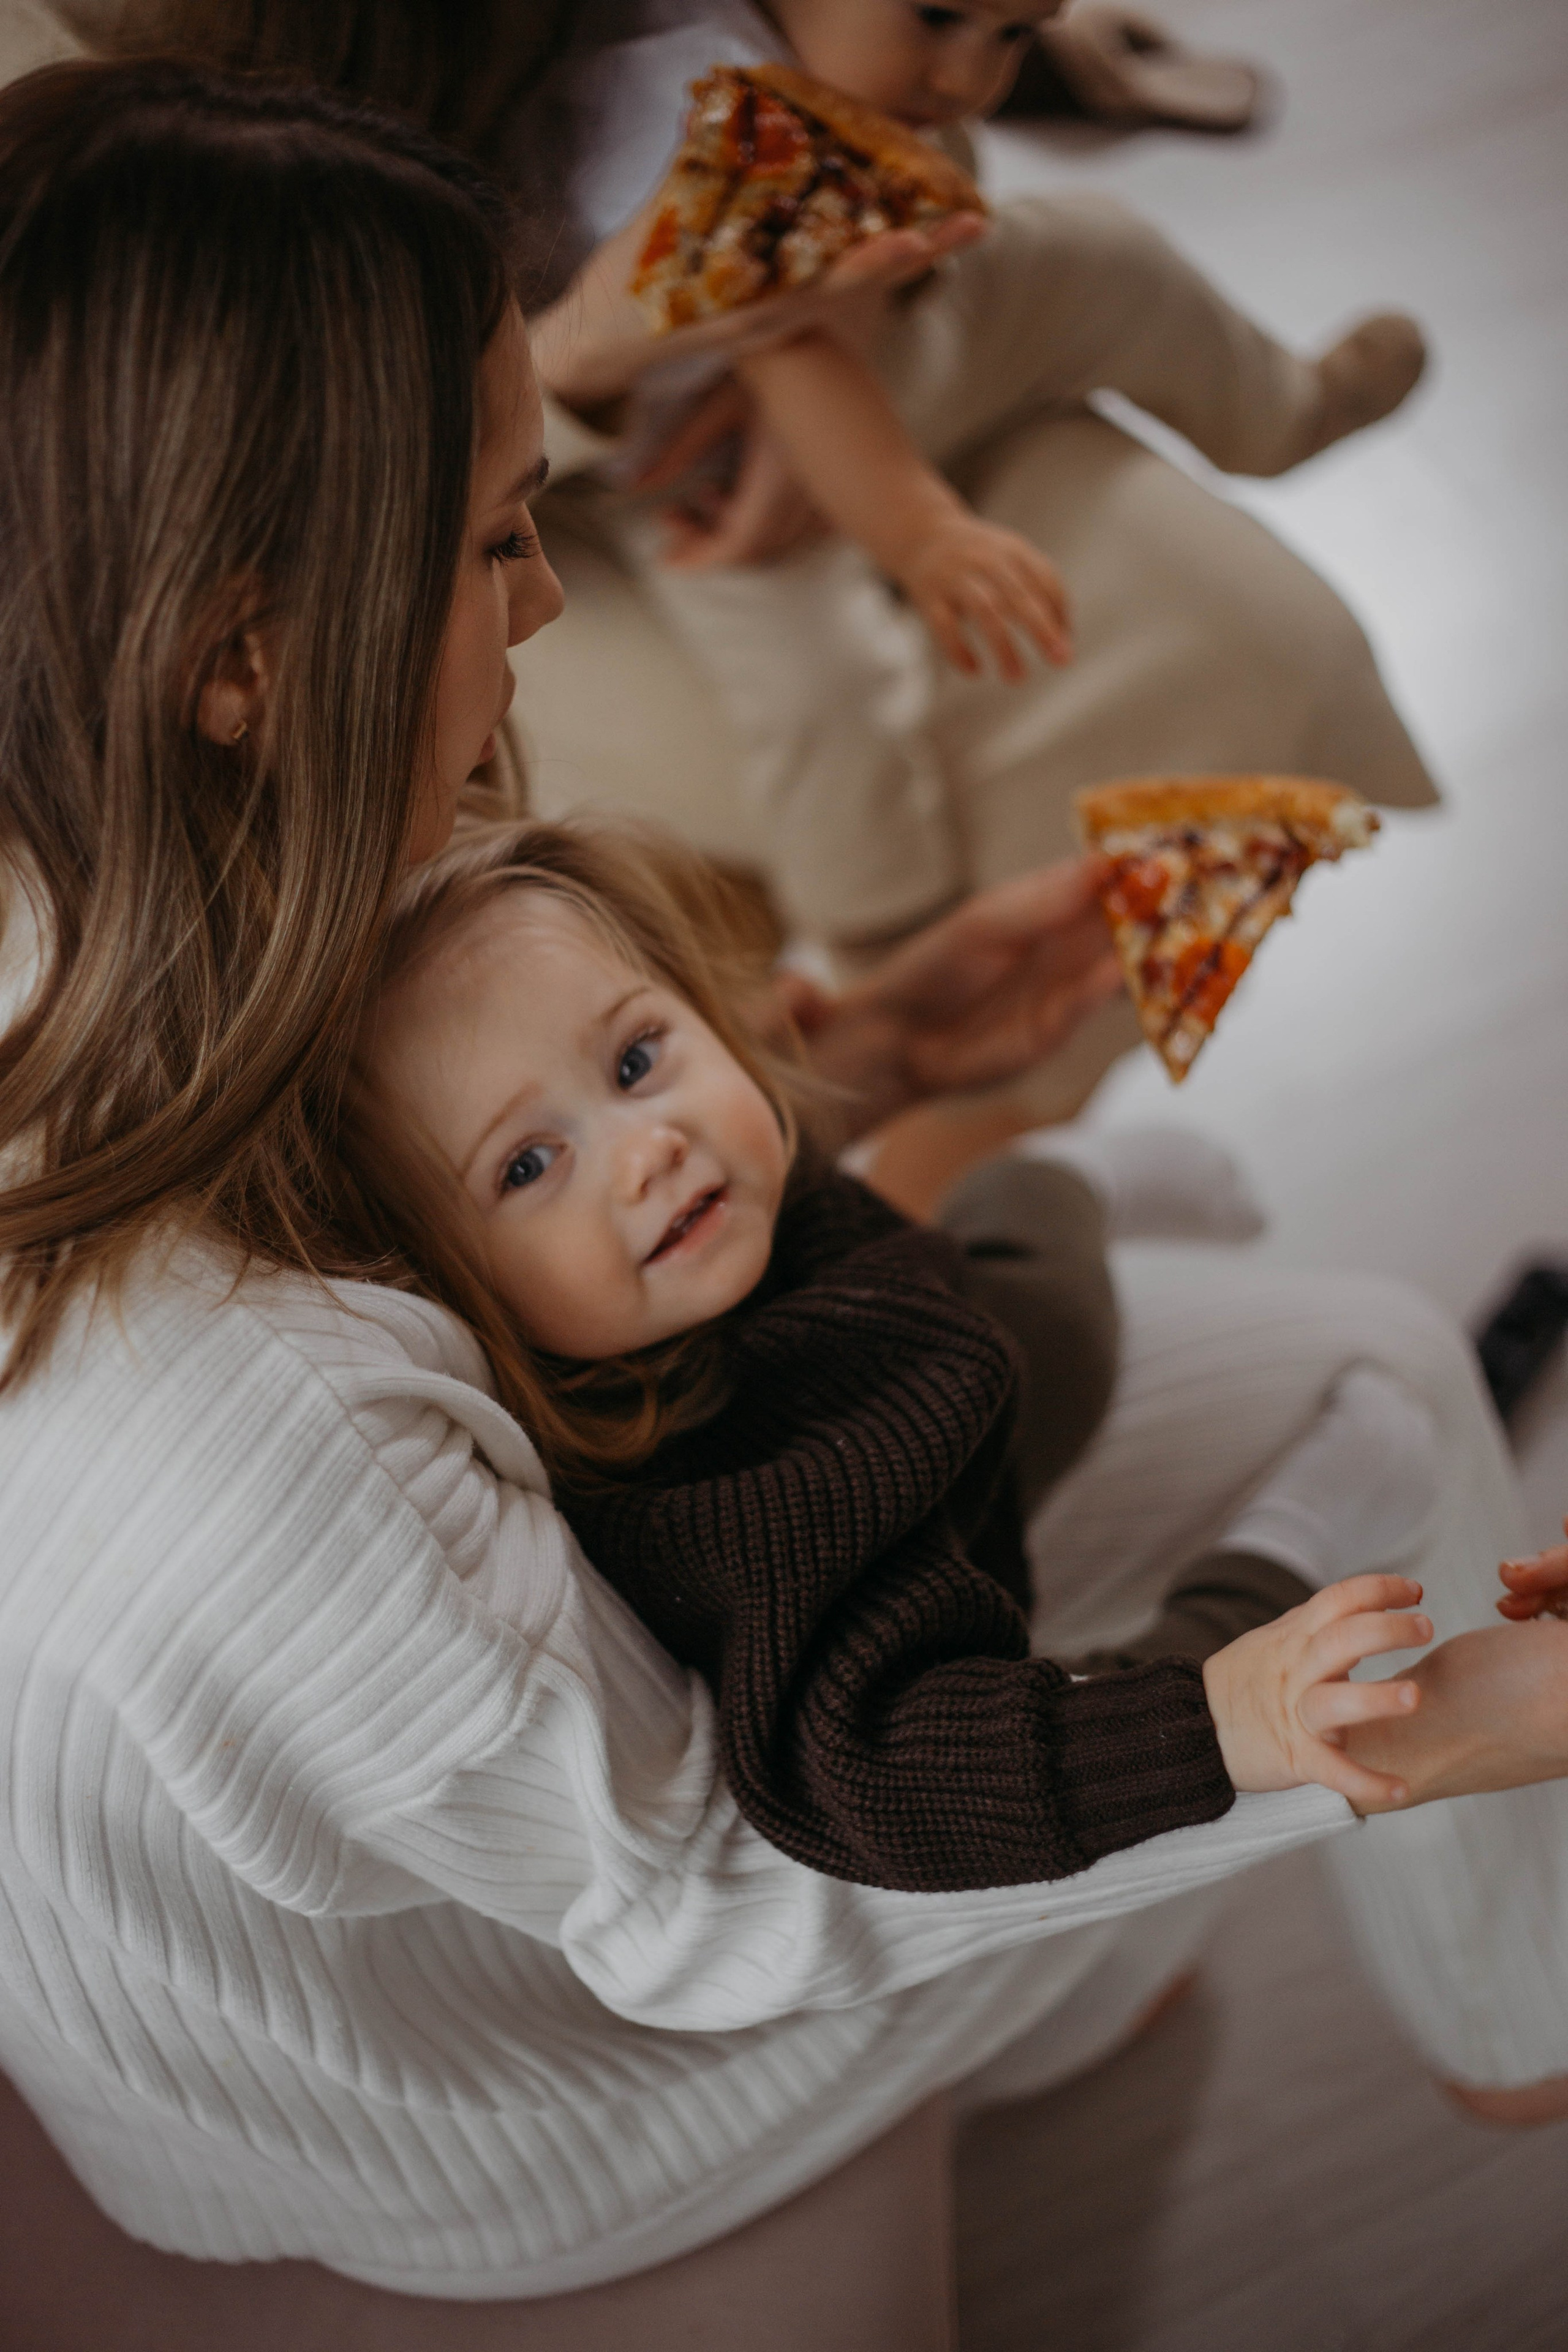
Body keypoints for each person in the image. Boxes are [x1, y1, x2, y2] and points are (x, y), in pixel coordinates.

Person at [4, 55, 1568, 2352]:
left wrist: (841, 1041)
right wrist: (1413, 1726)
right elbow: (720, 1901)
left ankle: (1228, 1953)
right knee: (1363, 1409)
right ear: (239, 651)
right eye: (490, 540)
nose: (542, 601)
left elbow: (462, 1105)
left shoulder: (123, 828)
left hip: (554, 1730)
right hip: (518, 2080)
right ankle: (1496, 2018)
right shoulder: (260, 1447)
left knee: (1319, 1360)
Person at [76, 0, 1442, 1137]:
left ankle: (1279, 405)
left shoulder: (789, 58)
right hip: (702, 471)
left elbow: (897, 226)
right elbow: (790, 363)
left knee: (1109, 263)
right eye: (941, 23)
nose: (970, 70)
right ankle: (882, 942)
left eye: (1013, 33)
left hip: (884, 344)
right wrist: (918, 532)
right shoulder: (693, 113)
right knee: (824, 681)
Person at [341, 811, 1446, 1891]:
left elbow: (778, 1138)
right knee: (1149, 1713)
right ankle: (1284, 1546)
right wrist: (1222, 1719)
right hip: (932, 1612)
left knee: (1044, 1322)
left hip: (936, 1368)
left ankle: (1062, 1180)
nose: (648, 1149)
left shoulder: (695, 1237)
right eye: (528, 1167)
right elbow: (877, 1772)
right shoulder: (736, 1520)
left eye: (636, 1059)